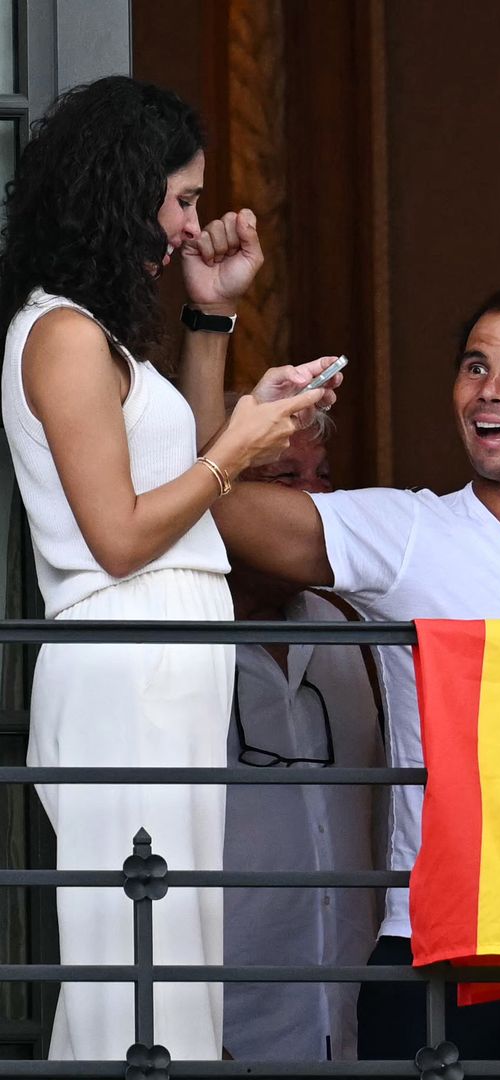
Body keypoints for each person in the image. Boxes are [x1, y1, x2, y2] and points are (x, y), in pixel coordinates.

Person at [192, 286, 500, 1060]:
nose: (490, 389)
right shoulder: (410, 531)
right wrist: (215, 336)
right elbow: (210, 506)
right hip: (439, 947)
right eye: (474, 368)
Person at [0, 76, 332, 1060]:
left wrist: (215, 321)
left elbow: (177, 463)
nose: (191, 223)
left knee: (171, 944)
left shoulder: (102, 335)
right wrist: (238, 445)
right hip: (122, 661)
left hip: (161, 662)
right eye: (182, 198)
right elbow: (120, 534)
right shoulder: (59, 334)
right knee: (133, 945)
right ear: (124, 191)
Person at [222, 413, 385, 1063]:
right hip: (214, 1025)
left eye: (325, 478)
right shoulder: (167, 640)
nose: (320, 503)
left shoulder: (358, 627)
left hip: (355, 1020)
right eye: (288, 478)